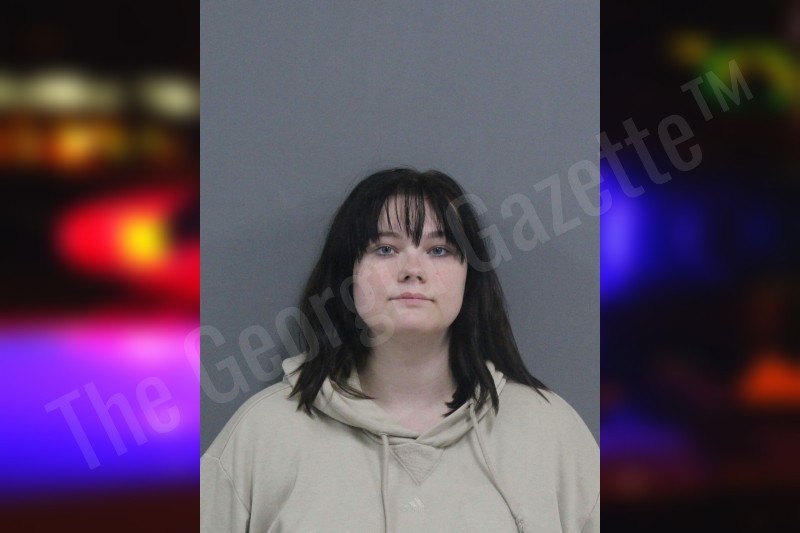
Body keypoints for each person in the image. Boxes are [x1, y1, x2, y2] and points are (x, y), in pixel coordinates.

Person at [200, 168, 599, 533]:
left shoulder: (552, 435)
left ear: (470, 278)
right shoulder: (263, 434)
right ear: (348, 273)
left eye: (439, 250)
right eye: (385, 249)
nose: (412, 270)